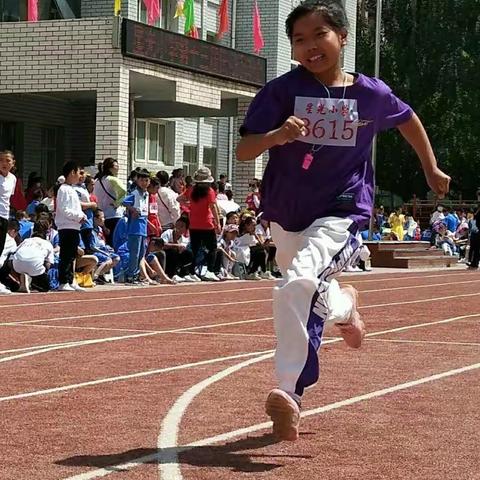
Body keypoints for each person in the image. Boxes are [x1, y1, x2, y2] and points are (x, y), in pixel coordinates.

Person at [236, 0, 450, 442]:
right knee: (307, 287)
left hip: (342, 209)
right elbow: (245, 150)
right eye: (299, 39)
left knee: (298, 282)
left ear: (342, 37)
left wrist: (430, 168)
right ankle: (345, 305)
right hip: (286, 212)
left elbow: (407, 118)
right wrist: (278, 136)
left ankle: (289, 390)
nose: (310, 46)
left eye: (320, 35)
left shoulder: (369, 93)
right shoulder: (280, 92)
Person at [180, 167, 221, 281]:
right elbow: (213, 207)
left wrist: (189, 204)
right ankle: (210, 270)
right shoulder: (209, 191)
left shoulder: (191, 189)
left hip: (194, 223)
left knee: (195, 248)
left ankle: (191, 271)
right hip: (207, 223)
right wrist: (217, 223)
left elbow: (179, 198)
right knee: (212, 248)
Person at [56, 161, 87, 292]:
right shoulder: (63, 189)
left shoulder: (71, 189)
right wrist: (78, 216)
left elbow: (74, 208)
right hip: (66, 226)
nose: (80, 176)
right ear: (72, 173)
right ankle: (63, 281)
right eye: (78, 172)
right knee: (66, 255)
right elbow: (64, 209)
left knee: (72, 255)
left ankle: (70, 279)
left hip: (74, 226)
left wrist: (80, 216)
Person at [122, 168, 150, 284]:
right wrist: (132, 209)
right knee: (135, 252)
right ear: (137, 180)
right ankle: (130, 275)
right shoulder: (134, 193)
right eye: (142, 180)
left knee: (141, 253)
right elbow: (123, 202)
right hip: (135, 227)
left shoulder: (146, 194)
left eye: (147, 180)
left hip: (143, 226)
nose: (144, 183)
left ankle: (137, 274)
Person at [93, 157, 126, 246]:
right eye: (116, 166)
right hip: (114, 214)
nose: (118, 167)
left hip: (101, 216)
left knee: (105, 241)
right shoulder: (113, 179)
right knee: (116, 241)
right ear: (110, 168)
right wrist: (117, 203)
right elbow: (124, 192)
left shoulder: (96, 180)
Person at [0, 150, 17, 295]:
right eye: (1, 160)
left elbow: (8, 199)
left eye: (7, 160)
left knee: (0, 249)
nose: (4, 163)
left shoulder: (12, 179)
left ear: (13, 163)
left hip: (4, 216)